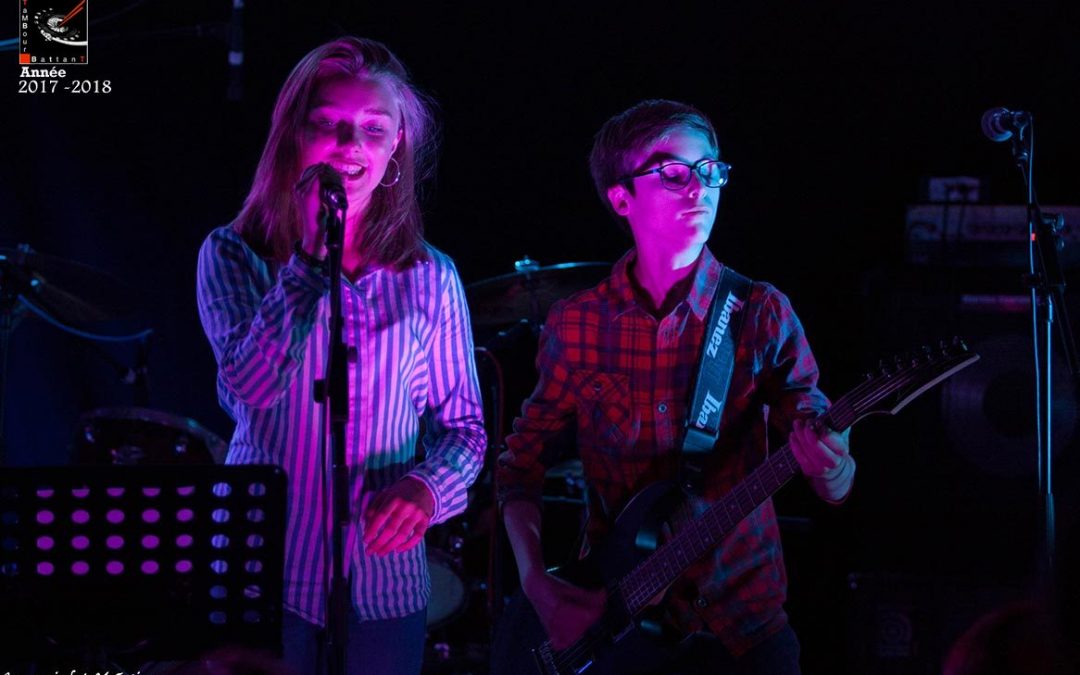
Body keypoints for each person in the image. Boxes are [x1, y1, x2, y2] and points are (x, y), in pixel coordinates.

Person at [496, 99, 854, 674]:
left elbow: (830, 464)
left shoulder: (760, 311)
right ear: (621, 197)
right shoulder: (577, 323)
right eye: (672, 172)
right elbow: (520, 466)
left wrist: (834, 468)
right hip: (615, 623)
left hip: (743, 628)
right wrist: (538, 584)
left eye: (709, 171)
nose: (699, 187)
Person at [196, 37, 486, 675]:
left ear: (396, 147)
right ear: (293, 135)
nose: (351, 144)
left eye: (374, 129)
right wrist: (307, 260)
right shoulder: (233, 254)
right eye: (328, 124)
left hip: (384, 588)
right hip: (259, 575)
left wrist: (427, 488)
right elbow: (250, 388)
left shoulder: (430, 276)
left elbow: (464, 429)